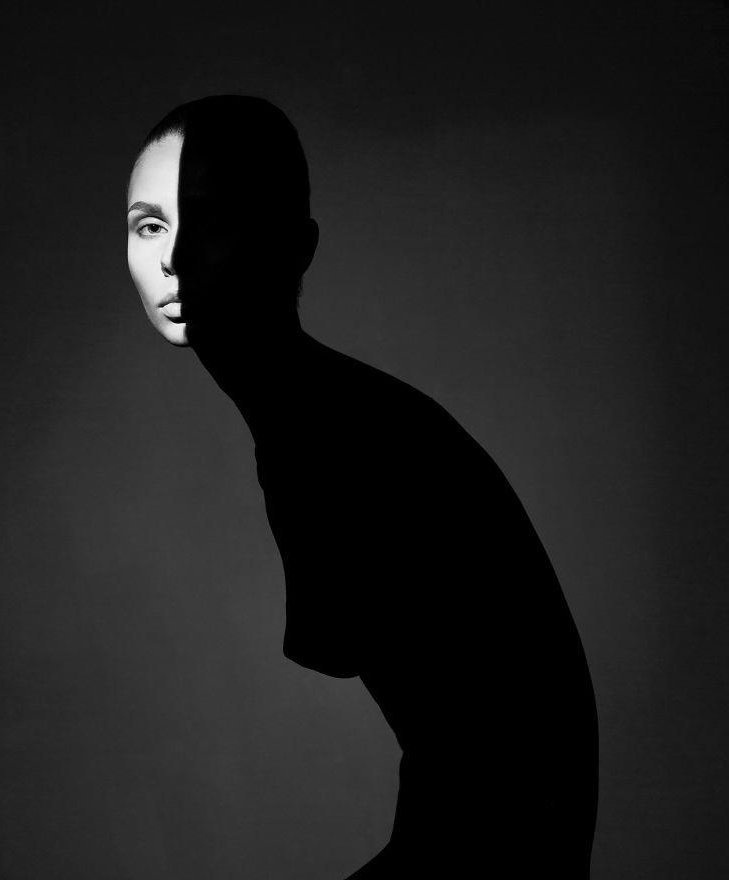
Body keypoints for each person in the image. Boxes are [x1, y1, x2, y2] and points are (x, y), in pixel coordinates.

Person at [126, 95, 598, 878]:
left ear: (295, 247)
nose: (173, 257)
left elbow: (338, 644)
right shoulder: (327, 411)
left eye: (210, 219)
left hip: (499, 845)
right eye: (149, 225)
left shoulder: (319, 429)